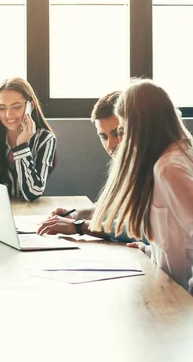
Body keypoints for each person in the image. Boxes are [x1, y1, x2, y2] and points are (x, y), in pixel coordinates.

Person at [88, 79, 193, 291]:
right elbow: (173, 230)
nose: (121, 139)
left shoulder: (168, 168)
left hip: (181, 296)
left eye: (124, 128)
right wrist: (150, 250)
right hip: (169, 285)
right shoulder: (164, 159)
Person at [36, 91, 148, 245]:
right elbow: (114, 209)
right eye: (103, 136)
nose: (110, 145)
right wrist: (75, 215)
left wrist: (80, 227)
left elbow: (145, 230)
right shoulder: (124, 164)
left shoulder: (156, 168)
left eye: (118, 133)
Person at [0, 77, 57, 201]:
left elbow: (33, 193)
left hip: (28, 214)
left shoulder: (45, 139)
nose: (8, 114)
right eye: (2, 108)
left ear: (30, 106)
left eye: (16, 107)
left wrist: (21, 146)